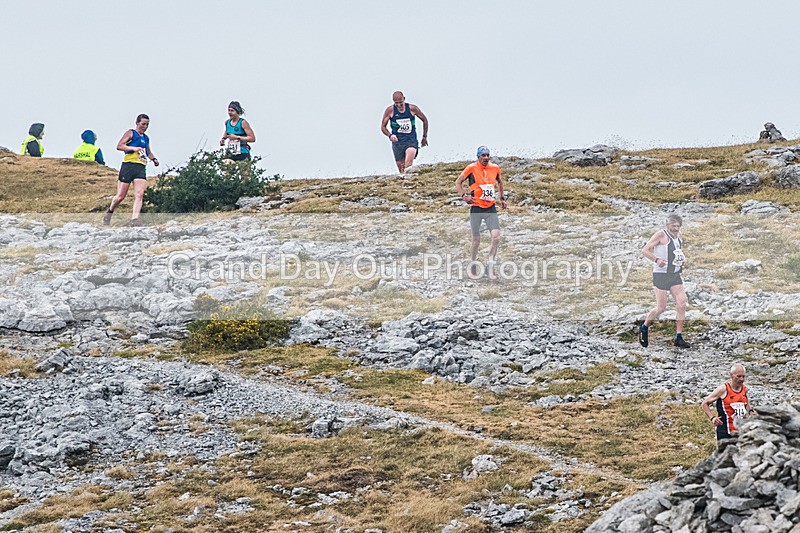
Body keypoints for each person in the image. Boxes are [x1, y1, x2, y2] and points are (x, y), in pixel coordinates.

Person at [455, 146, 507, 280]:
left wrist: (501, 198)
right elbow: (458, 182)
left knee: (496, 237)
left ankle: (490, 265)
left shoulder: (495, 168)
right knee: (476, 240)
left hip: (490, 208)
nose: (485, 158)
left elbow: (500, 182)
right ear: (478, 157)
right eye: (483, 155)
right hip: (476, 208)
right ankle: (472, 264)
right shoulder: (471, 168)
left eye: (487, 155)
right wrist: (464, 196)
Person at [639, 214, 690, 348]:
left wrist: (682, 260)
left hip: (674, 275)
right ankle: (644, 327)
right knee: (661, 308)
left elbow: (677, 252)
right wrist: (656, 260)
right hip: (661, 275)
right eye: (673, 226)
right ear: (667, 225)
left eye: (678, 226)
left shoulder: (678, 236)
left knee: (682, 304)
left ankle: (678, 337)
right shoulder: (660, 235)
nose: (676, 228)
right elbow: (645, 250)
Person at [103, 114, 159, 227]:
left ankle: (135, 219)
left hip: (140, 167)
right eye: (143, 124)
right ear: (137, 123)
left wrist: (154, 159)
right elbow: (119, 146)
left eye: (147, 124)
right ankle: (110, 211)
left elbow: (148, 152)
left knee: (139, 194)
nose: (145, 126)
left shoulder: (146, 138)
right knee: (120, 196)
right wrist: (133, 148)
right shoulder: (131, 133)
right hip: (128, 165)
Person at [700, 364, 755, 441]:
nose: (741, 379)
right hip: (725, 432)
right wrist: (712, 417)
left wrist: (750, 411)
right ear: (731, 375)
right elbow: (704, 403)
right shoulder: (723, 389)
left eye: (743, 376)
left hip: (740, 431)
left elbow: (746, 402)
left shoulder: (744, 389)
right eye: (738, 376)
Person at [380, 91, 429, 174]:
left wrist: (424, 137)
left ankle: (410, 181)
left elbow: (425, 120)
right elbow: (383, 127)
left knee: (408, 166)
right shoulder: (390, 110)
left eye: (401, 103)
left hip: (411, 140)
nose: (399, 105)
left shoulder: (412, 109)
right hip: (397, 143)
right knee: (401, 170)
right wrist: (390, 135)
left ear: (404, 99)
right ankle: (406, 184)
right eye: (396, 103)